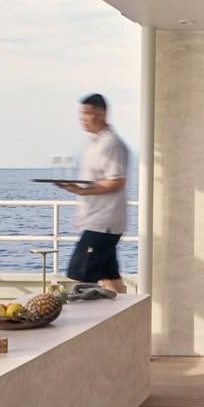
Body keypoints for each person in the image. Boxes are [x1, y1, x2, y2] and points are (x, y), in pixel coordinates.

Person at [56, 94, 129, 294]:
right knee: (110, 277)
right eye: (81, 113)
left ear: (102, 113)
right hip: (95, 221)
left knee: (80, 275)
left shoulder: (111, 144)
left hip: (103, 223)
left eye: (87, 113)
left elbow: (116, 182)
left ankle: (87, 323)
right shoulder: (94, 144)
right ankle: (128, 321)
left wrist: (83, 191)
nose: (82, 118)